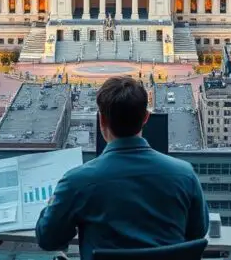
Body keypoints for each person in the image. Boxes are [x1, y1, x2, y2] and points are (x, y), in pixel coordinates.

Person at [36, 76, 208, 257]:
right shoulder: (185, 175)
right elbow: (198, 232)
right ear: (146, 118)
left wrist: (52, 204)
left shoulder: (76, 182)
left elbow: (48, 239)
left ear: (101, 120)